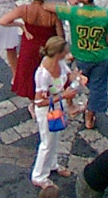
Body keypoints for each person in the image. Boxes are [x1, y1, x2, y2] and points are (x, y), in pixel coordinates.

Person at [58, 0, 108, 135]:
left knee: (90, 85)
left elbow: (55, 8)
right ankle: (101, 112)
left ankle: (92, 115)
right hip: (101, 56)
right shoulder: (104, 14)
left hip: (82, 56)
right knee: (97, 86)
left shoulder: (74, 13)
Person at [31, 34, 79, 186]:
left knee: (55, 138)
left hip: (57, 107)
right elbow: (39, 101)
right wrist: (64, 95)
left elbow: (69, 76)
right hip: (46, 110)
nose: (67, 54)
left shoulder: (60, 63)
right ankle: (38, 176)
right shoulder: (43, 74)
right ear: (58, 53)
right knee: (46, 142)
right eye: (65, 51)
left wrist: (78, 78)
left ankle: (52, 165)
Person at [5, 0, 60, 100]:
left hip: (29, 48)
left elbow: (3, 20)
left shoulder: (23, 10)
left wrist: (21, 25)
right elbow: (60, 36)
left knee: (30, 76)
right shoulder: (52, 14)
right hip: (48, 48)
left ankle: (33, 102)